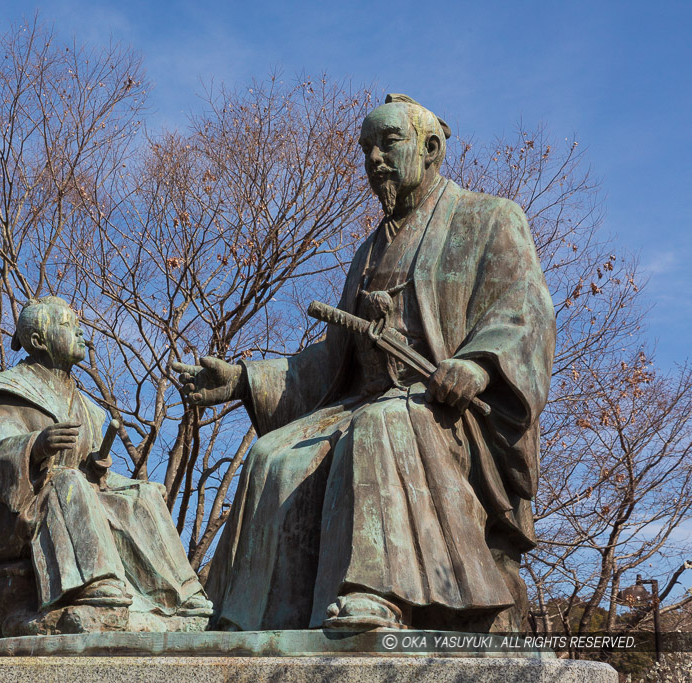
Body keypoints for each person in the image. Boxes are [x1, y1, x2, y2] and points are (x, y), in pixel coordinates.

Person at [174, 95, 555, 632]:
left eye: (388, 142)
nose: (373, 157)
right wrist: (243, 380)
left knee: (381, 426)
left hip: (451, 410)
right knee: (273, 455)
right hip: (364, 401)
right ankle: (256, 617)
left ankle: (379, 595)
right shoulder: (367, 252)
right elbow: (335, 359)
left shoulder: (490, 218)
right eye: (365, 147)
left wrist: (477, 364)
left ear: (431, 148)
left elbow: (525, 309)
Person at [0, 296, 211, 620]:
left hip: (77, 501)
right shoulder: (8, 393)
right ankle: (94, 581)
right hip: (21, 516)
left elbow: (94, 481)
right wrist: (36, 444)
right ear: (38, 340)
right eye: (70, 326)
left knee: (143, 493)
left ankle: (179, 594)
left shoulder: (88, 408)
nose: (82, 334)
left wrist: (102, 472)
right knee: (68, 479)